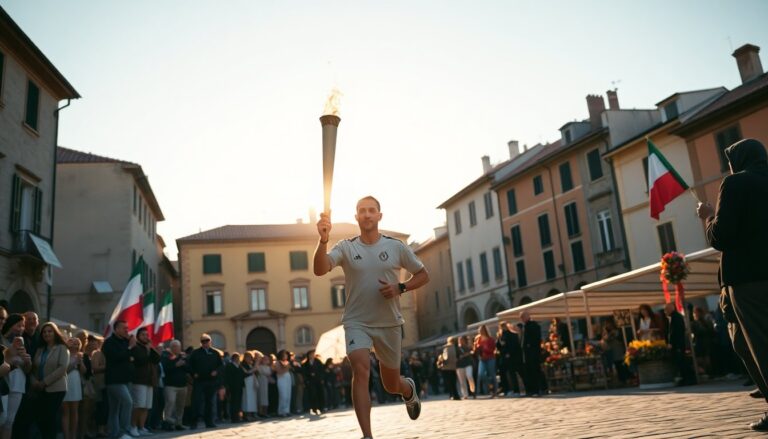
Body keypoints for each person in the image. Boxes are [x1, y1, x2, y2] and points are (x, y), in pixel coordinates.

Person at [313, 195, 429, 439]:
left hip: (389, 322)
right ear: (356, 217)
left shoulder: (396, 247)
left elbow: (423, 275)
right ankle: (367, 435)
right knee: (360, 370)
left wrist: (400, 287)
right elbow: (320, 269)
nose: (366, 214)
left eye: (371, 210)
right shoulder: (346, 247)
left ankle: (407, 389)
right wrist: (323, 240)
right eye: (362, 210)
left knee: (391, 385)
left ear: (379, 216)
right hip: (357, 321)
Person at [696, 138, 768, 431]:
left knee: (759, 345)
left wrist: (708, 217)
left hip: (748, 280)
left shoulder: (735, 183)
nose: (728, 167)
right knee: (743, 342)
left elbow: (720, 236)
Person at [30, 322, 70, 439]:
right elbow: (33, 368)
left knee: (50, 417)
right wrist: (34, 382)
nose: (47, 334)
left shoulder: (62, 348)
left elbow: (62, 368)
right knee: (40, 418)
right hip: (40, 389)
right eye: (44, 332)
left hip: (56, 388)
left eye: (49, 331)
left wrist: (44, 382)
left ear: (55, 333)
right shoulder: (40, 349)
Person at [102, 320, 136, 439]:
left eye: (127, 328)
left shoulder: (126, 342)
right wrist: (130, 348)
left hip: (126, 379)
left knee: (114, 409)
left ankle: (114, 434)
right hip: (114, 380)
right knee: (128, 402)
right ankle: (123, 432)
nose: (127, 330)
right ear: (116, 329)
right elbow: (117, 357)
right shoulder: (109, 342)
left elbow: (133, 357)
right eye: (124, 328)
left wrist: (131, 347)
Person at [1, 314, 29, 439]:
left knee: (9, 421)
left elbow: (27, 369)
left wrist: (27, 361)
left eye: (23, 326)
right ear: (10, 325)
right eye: (18, 326)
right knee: (2, 419)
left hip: (18, 384)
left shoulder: (22, 343)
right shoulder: (2, 340)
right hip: (4, 383)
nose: (21, 329)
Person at [129, 327, 160, 436]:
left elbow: (157, 359)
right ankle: (133, 426)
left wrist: (152, 348)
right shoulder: (136, 348)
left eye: (147, 335)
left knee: (146, 406)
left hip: (149, 381)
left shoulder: (148, 347)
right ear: (138, 336)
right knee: (139, 405)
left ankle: (141, 427)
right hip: (139, 380)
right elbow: (141, 360)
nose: (146, 337)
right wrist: (147, 350)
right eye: (143, 335)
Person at [188, 333, 223, 429]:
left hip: (211, 381)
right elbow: (189, 365)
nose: (205, 343)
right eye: (203, 341)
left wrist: (216, 371)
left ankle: (209, 422)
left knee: (210, 402)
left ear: (210, 342)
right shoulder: (195, 353)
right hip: (199, 381)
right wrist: (193, 373)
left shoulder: (215, 353)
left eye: (207, 341)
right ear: (201, 342)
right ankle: (194, 422)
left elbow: (221, 365)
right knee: (196, 401)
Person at [161, 340, 189, 431]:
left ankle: (179, 423)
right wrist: (175, 365)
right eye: (174, 346)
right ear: (171, 347)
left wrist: (184, 363)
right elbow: (165, 368)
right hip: (170, 385)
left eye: (178, 347)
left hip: (182, 385)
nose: (176, 348)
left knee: (180, 406)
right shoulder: (166, 356)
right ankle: (168, 422)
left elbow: (189, 368)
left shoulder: (183, 356)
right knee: (170, 403)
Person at [62, 337, 85, 439]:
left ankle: (73, 436)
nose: (75, 345)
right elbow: (64, 371)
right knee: (65, 411)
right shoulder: (64, 354)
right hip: (65, 382)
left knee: (74, 411)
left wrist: (80, 362)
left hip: (76, 383)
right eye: (73, 342)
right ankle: (66, 436)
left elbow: (84, 371)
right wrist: (75, 362)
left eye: (77, 343)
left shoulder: (80, 356)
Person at [497, 322, 523, 396]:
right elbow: (499, 346)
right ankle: (506, 390)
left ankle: (516, 390)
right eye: (501, 327)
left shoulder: (512, 334)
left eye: (504, 326)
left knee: (513, 374)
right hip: (503, 357)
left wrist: (509, 353)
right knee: (503, 374)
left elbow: (514, 346)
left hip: (511, 357)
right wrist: (500, 344)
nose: (503, 328)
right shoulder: (500, 336)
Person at [520, 311, 542, 397]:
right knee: (529, 371)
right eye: (521, 318)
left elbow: (536, 338)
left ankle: (537, 390)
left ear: (527, 316)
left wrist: (529, 345)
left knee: (535, 370)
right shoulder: (525, 326)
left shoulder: (533, 325)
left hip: (533, 352)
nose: (522, 319)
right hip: (527, 353)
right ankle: (531, 390)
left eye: (523, 317)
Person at [473, 325, 497, 397]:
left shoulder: (490, 339)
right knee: (481, 374)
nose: (480, 332)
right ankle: (489, 387)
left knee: (492, 375)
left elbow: (493, 349)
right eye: (479, 330)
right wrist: (476, 347)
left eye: (481, 330)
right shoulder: (478, 339)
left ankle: (494, 391)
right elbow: (475, 350)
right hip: (482, 359)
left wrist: (485, 348)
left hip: (490, 358)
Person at [224, 353, 244, 423]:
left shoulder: (239, 366)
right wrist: (229, 386)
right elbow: (228, 377)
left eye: (238, 358)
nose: (238, 359)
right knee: (233, 402)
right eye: (236, 358)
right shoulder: (229, 366)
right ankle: (234, 417)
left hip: (239, 386)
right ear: (233, 359)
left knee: (238, 402)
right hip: (232, 387)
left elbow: (242, 375)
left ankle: (238, 416)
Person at [240, 351, 257, 421]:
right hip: (246, 382)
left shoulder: (251, 364)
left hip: (251, 382)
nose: (249, 358)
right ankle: (246, 415)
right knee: (246, 398)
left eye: (250, 357)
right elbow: (246, 373)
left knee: (252, 398)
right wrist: (253, 369)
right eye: (247, 357)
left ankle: (252, 413)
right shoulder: (242, 364)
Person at [274, 350, 292, 417]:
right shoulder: (277, 362)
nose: (286, 356)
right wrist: (286, 367)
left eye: (286, 354)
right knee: (283, 395)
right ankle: (281, 411)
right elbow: (279, 371)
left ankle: (287, 411)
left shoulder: (287, 362)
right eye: (284, 354)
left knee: (288, 395)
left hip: (287, 379)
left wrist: (288, 366)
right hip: (281, 379)